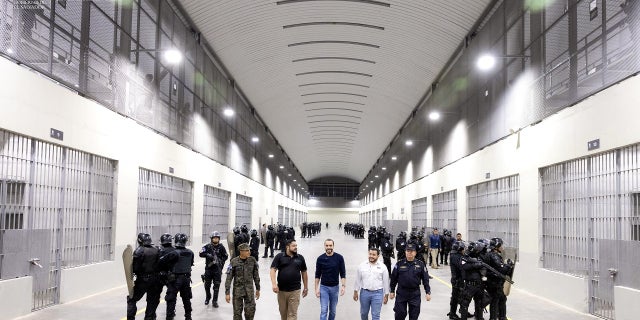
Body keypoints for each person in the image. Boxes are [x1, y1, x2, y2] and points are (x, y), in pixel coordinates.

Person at [389, 244, 431, 320]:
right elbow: (393, 278)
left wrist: (428, 292)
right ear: (405, 252)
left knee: (414, 315)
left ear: (415, 253)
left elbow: (425, 279)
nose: (409, 253)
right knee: (400, 314)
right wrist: (392, 291)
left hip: (415, 293)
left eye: (412, 251)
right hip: (402, 292)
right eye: (408, 251)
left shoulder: (420, 264)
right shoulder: (399, 264)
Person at [270, 239, 309, 320]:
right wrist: (274, 284)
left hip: (295, 290)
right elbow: (273, 270)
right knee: (283, 314)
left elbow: (304, 272)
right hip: (281, 291)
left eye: (296, 246)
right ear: (287, 247)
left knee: (292, 315)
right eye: (293, 246)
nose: (296, 247)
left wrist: (305, 287)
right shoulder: (280, 256)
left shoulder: (300, 258)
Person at [160, 233, 194, 320]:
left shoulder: (174, 253)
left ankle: (169, 317)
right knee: (186, 299)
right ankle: (188, 317)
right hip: (186, 279)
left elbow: (162, 261)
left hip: (175, 279)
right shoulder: (190, 252)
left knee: (171, 298)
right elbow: (190, 264)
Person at [127, 233, 161, 320]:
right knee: (152, 302)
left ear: (139, 240)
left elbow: (136, 268)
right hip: (155, 280)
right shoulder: (156, 249)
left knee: (132, 299)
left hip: (143, 280)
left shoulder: (139, 251)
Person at [225, 243, 261, 320]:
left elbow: (256, 276)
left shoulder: (252, 260)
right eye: (247, 251)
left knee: (250, 312)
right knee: (237, 314)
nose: (249, 252)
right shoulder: (234, 262)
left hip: (249, 291)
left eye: (249, 250)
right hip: (238, 292)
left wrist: (258, 289)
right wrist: (227, 293)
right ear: (241, 251)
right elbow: (229, 278)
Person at [353, 247, 390, 320]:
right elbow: (357, 280)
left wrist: (386, 295)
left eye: (374, 255)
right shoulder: (362, 265)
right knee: (363, 313)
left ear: (378, 256)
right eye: (370, 254)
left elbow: (386, 282)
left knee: (376, 315)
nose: (371, 256)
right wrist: (355, 292)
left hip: (378, 294)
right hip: (364, 293)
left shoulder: (383, 267)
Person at [315, 239, 347, 320]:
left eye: (330, 245)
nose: (329, 247)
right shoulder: (320, 259)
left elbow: (342, 273)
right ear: (324, 246)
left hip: (335, 288)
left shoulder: (339, 258)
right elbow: (317, 275)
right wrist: (316, 289)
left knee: (333, 311)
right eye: (327, 245)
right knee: (323, 310)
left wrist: (343, 286)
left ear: (333, 246)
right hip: (324, 287)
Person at [486, 238, 514, 320]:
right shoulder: (494, 256)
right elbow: (502, 269)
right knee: (495, 302)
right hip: (495, 283)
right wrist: (509, 265)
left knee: (501, 299)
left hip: (495, 283)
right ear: (496, 247)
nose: (502, 247)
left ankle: (502, 317)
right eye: (501, 245)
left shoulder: (490, 254)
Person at [199, 231, 228, 308]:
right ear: (211, 239)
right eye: (214, 238)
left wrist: (221, 262)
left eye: (217, 238)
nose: (216, 239)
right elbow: (200, 253)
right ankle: (208, 297)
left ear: (219, 239)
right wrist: (207, 255)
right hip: (208, 269)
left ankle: (215, 301)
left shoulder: (221, 247)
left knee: (217, 286)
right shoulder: (208, 247)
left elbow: (225, 256)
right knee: (207, 285)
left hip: (217, 270)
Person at [448, 240, 466, 320]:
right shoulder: (456, 256)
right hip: (457, 280)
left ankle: (454, 312)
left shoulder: (455, 255)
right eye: (463, 249)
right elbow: (461, 267)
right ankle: (452, 314)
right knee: (456, 297)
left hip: (457, 279)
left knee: (457, 296)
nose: (464, 250)